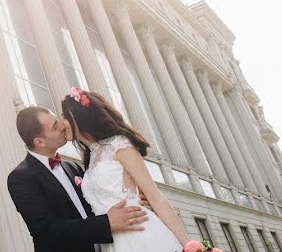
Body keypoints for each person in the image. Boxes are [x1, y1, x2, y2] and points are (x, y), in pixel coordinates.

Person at [61, 87, 190, 252]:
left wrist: (190, 246)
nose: (61, 122)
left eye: (65, 116)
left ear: (78, 116)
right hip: (112, 241)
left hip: (141, 235)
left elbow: (155, 197)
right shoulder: (92, 156)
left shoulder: (119, 145)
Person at [8, 104, 151, 252]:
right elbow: (46, 230)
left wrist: (135, 201)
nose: (63, 126)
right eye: (55, 127)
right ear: (39, 142)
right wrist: (106, 224)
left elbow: (98, 201)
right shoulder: (21, 177)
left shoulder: (73, 167)